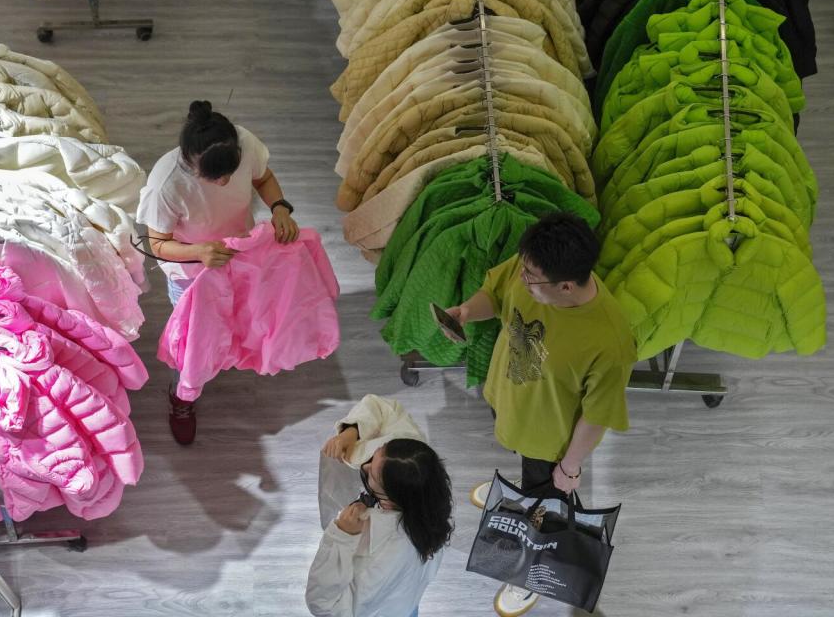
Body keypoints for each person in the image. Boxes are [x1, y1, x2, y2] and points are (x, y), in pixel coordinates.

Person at [442, 212, 636, 617]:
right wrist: (464, 312)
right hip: (510, 402)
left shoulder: (609, 339)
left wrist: (569, 466)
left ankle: (527, 575)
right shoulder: (533, 266)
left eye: (532, 277)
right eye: (524, 269)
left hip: (550, 441)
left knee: (544, 503)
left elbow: (597, 414)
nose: (524, 279)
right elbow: (494, 294)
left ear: (566, 285)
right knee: (527, 473)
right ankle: (522, 492)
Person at [136, 100, 300, 445]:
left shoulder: (244, 142)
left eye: (231, 173)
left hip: (239, 257)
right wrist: (199, 252)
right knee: (192, 342)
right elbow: (158, 245)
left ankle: (227, 357)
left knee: (238, 318)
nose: (225, 182)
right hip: (191, 274)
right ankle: (183, 395)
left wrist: (280, 209)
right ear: (191, 165)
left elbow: (264, 177)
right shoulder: (166, 184)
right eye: (215, 177)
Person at [306, 395, 453, 617]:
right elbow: (385, 408)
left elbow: (325, 606)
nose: (363, 468)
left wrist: (341, 537)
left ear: (392, 496)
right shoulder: (420, 470)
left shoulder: (380, 551)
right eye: (376, 454)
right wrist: (351, 432)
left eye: (372, 475)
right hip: (405, 600)